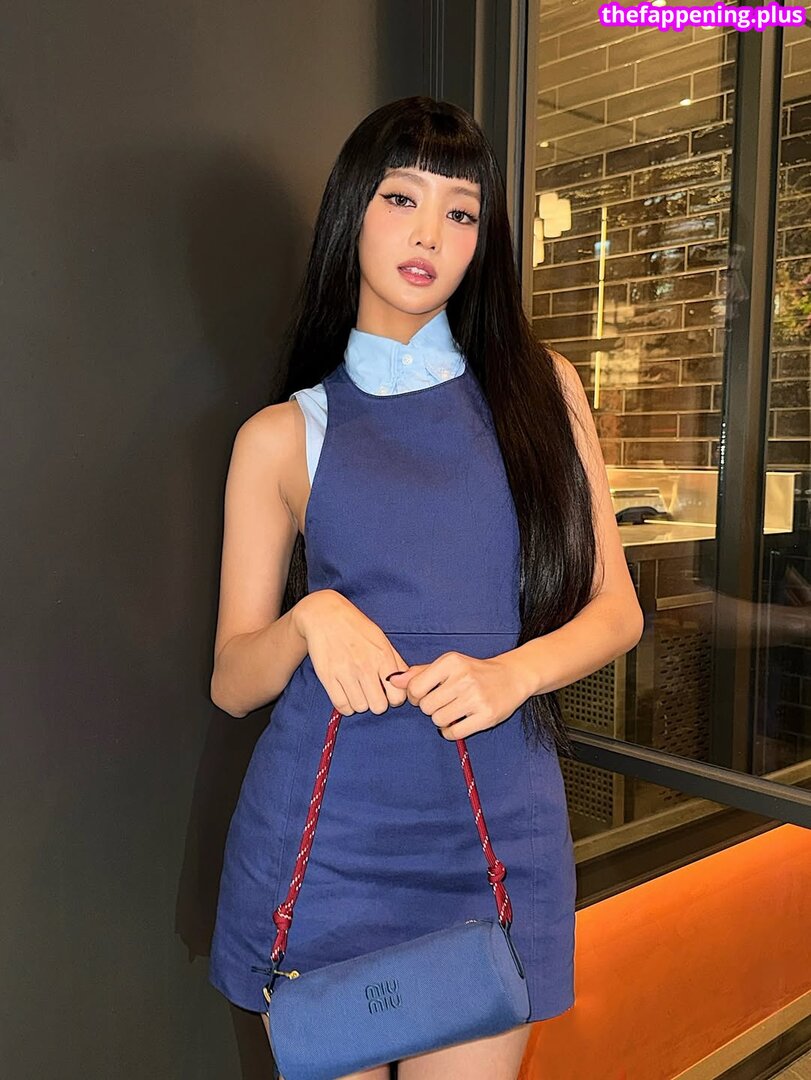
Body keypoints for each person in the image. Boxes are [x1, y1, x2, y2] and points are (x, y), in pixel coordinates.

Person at [207, 96, 644, 1080]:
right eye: (401, 198)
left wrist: (511, 675)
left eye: (460, 212)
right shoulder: (283, 434)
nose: (429, 234)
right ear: (351, 211)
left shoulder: (543, 391)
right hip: (325, 844)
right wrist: (311, 619)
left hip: (495, 830)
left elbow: (616, 610)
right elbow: (232, 682)